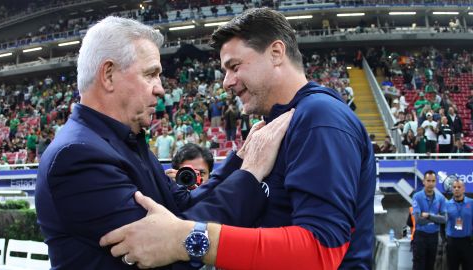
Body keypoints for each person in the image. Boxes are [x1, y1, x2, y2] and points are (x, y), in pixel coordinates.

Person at [100, 8, 376, 269]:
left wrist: (188, 239)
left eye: (234, 66)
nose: (226, 82)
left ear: (276, 53)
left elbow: (320, 251)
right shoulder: (275, 124)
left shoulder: (321, 118)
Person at [35, 16, 293, 270]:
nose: (160, 89)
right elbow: (167, 254)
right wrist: (251, 174)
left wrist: (240, 158)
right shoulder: (77, 156)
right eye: (151, 75)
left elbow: (186, 205)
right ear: (109, 75)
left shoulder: (124, 140)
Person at [411, 170, 446, 270]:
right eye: (428, 180)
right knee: (419, 266)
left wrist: (429, 216)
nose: (431, 183)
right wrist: (436, 218)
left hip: (434, 237)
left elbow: (444, 219)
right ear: (423, 181)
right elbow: (418, 220)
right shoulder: (417, 196)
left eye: (433, 181)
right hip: (420, 237)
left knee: (430, 266)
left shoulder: (441, 198)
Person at [445, 179, 473, 270]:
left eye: (459, 187)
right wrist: (444, 238)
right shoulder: (447, 204)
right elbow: (442, 224)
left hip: (467, 243)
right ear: (452, 189)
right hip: (452, 243)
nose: (456, 189)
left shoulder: (471, 203)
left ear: (464, 189)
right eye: (454, 187)